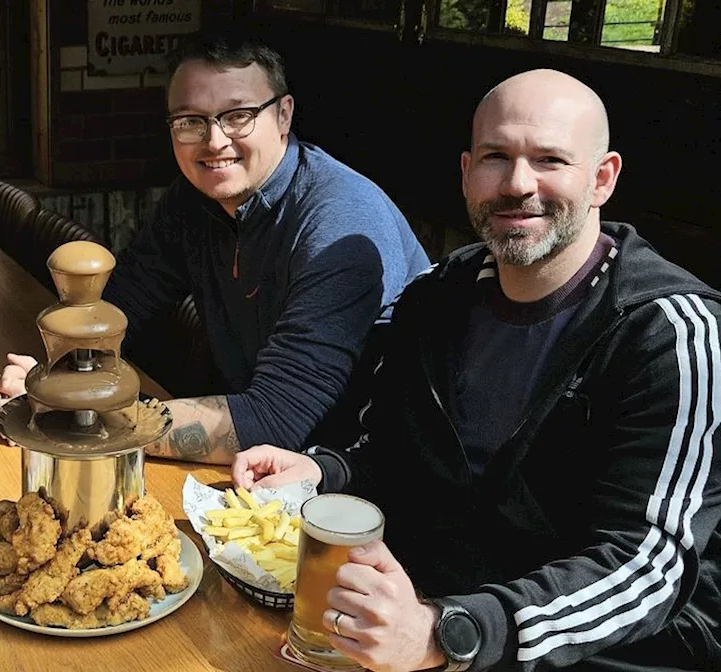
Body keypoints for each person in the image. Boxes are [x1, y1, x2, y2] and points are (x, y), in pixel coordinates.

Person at [233, 69, 720, 671]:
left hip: (600, 651)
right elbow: (393, 451)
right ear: (466, 173)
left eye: (549, 160)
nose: (517, 184)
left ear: (602, 179)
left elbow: (646, 566)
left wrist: (450, 634)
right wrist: (321, 468)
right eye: (496, 157)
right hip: (433, 613)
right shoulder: (438, 298)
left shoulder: (667, 333)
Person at [0, 27, 430, 464]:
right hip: (260, 467)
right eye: (191, 121)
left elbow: (276, 419)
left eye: (239, 115)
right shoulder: (192, 202)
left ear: (285, 114)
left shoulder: (340, 221)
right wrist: (49, 383)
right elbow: (121, 311)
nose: (215, 142)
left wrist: (79, 413)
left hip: (357, 482)